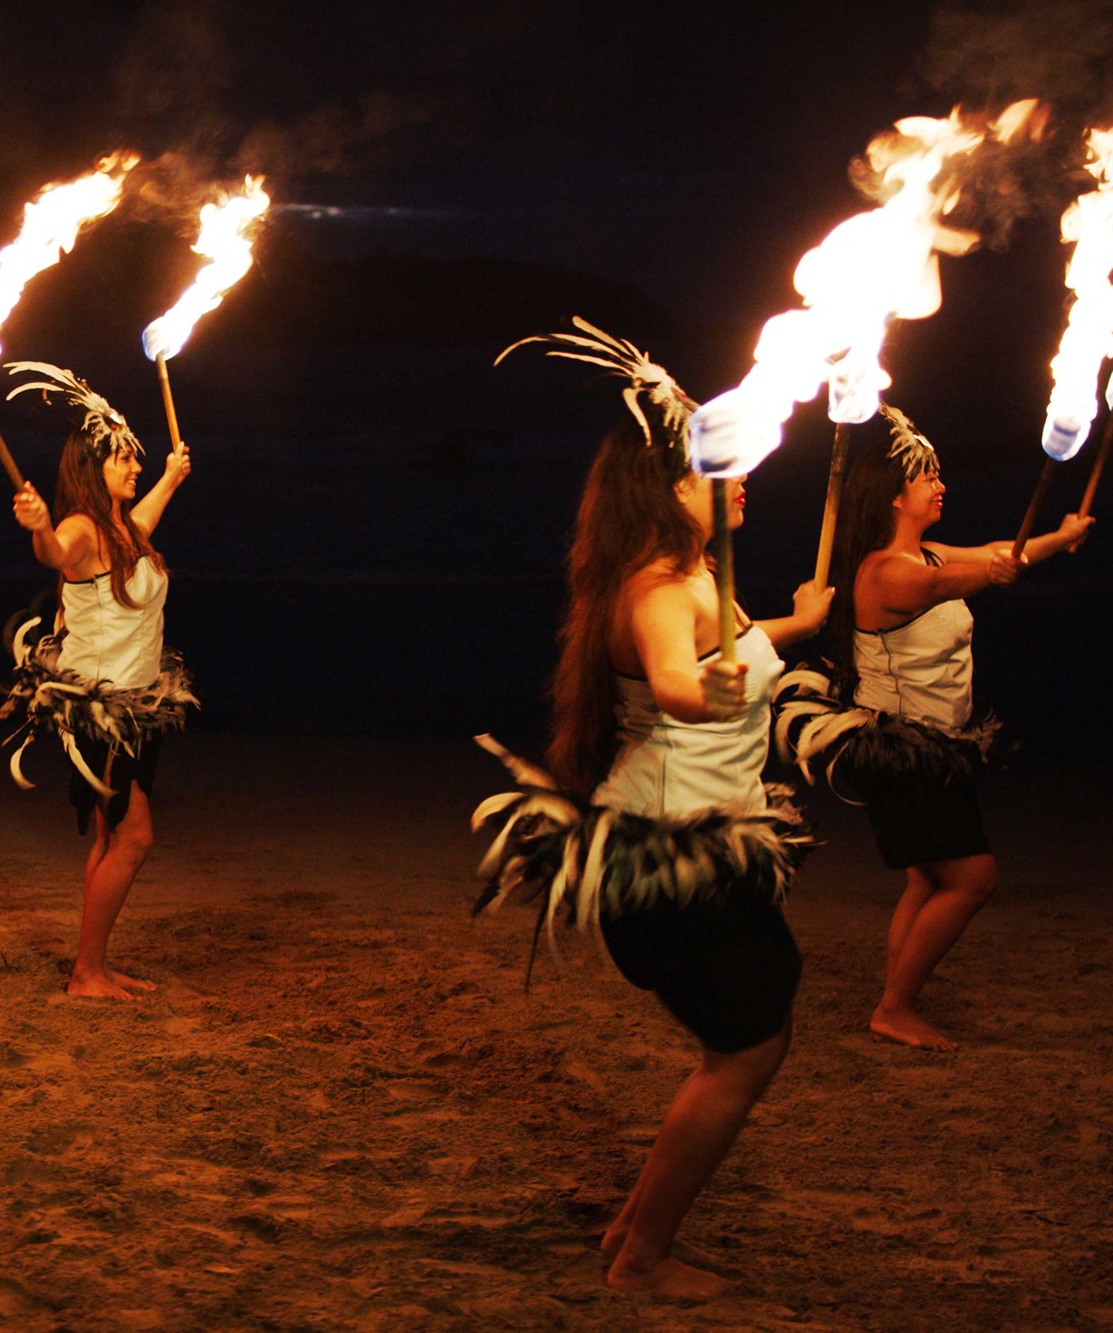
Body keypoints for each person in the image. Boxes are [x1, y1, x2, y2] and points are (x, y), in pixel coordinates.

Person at [471, 323, 828, 1298]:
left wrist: (796, 619)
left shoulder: (699, 581)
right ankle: (644, 1254)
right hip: (669, 860)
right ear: (670, 489)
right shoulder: (663, 588)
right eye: (724, 462)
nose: (744, 473)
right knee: (744, 1049)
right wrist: (691, 691)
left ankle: (635, 1225)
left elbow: (728, 645)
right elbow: (674, 670)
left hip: (700, 846)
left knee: (753, 1035)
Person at [775, 408, 1090, 1050]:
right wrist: (992, 575)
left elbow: (1000, 554)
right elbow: (950, 580)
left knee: (928, 880)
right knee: (973, 880)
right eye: (927, 477)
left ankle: (896, 993)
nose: (940, 485)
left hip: (937, 750)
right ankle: (894, 1006)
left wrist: (1059, 537)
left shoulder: (924, 551)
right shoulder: (887, 572)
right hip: (902, 753)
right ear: (896, 495)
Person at [0, 363, 193, 1002]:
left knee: (113, 837)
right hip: (103, 712)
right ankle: (87, 973)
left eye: (136, 460)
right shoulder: (81, 528)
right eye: (125, 461)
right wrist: (38, 527)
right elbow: (57, 553)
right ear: (92, 466)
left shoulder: (121, 530)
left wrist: (170, 476)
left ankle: (93, 967)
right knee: (136, 838)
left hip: (137, 707)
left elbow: (141, 526)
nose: (134, 468)